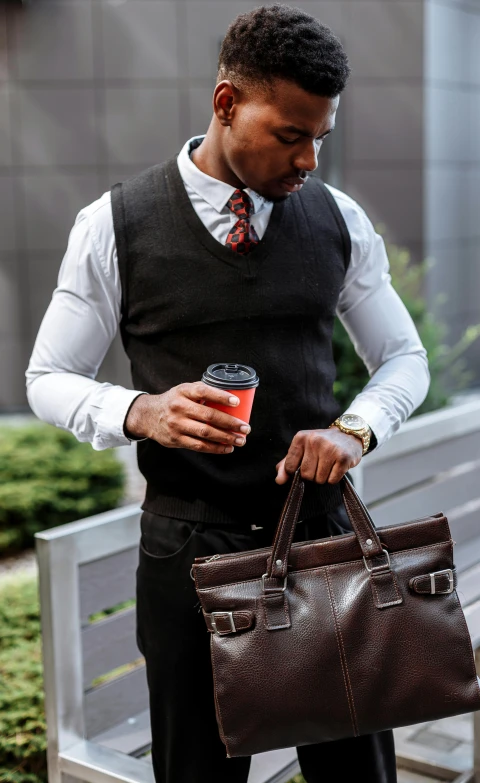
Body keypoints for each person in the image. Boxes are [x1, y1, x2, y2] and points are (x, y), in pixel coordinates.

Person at [26, 5, 430, 782]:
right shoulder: (113, 225)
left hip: (322, 551)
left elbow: (403, 358)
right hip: (188, 561)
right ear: (226, 104)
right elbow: (47, 377)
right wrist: (138, 410)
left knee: (358, 773)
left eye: (322, 136)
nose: (309, 158)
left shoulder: (340, 219)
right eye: (290, 134)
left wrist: (355, 428)